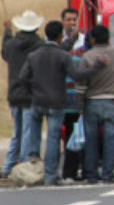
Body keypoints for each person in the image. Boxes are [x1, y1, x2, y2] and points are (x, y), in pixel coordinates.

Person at [20, 21, 104, 186]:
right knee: (53, 138)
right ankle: (51, 175)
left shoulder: (33, 55)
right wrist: (97, 67)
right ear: (59, 37)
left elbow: (23, 77)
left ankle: (33, 168)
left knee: (34, 136)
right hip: (56, 101)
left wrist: (32, 91)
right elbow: (77, 75)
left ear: (46, 35)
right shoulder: (62, 56)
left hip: (37, 100)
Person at [77, 20, 114, 183]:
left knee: (91, 141)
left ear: (93, 40)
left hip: (92, 102)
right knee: (110, 140)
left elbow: (81, 85)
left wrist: (80, 106)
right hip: (111, 101)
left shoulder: (87, 57)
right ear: (108, 38)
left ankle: (92, 175)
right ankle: (108, 174)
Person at [0, 10, 44, 178]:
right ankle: (25, 165)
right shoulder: (39, 45)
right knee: (28, 131)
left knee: (17, 131)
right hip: (31, 93)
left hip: (14, 91)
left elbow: (4, 52)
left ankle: (8, 165)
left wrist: (7, 32)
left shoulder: (11, 44)